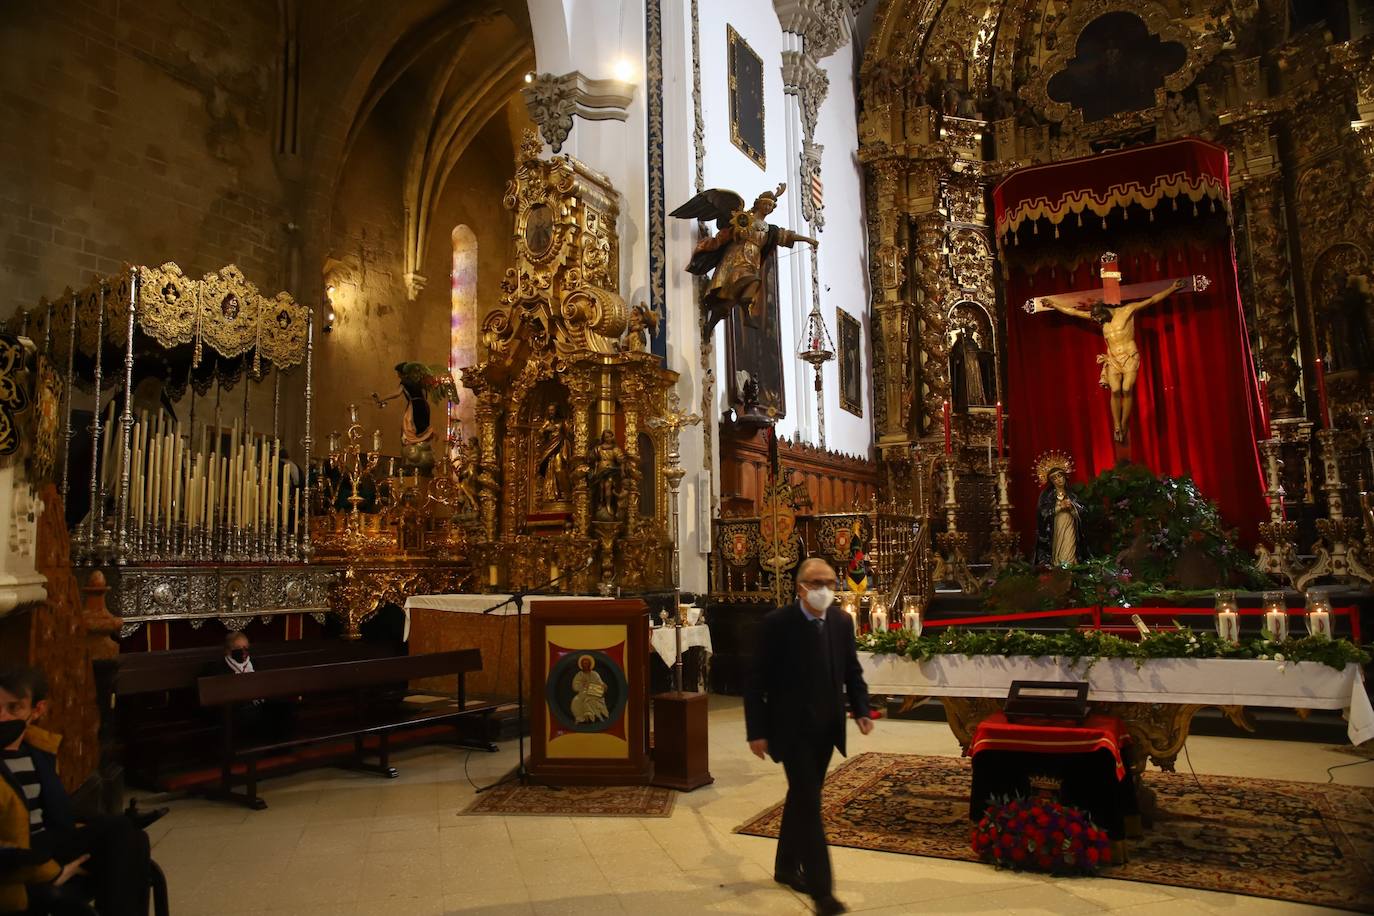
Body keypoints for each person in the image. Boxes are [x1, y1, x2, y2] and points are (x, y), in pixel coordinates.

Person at [744, 557, 874, 916]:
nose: (825, 590)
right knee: (810, 805)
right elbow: (755, 681)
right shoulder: (776, 624)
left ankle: (785, 866)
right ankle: (823, 894)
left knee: (803, 796)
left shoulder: (841, 621)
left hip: (827, 728)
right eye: (817, 583)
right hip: (790, 729)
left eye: (831, 583)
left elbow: (851, 669)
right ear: (800, 587)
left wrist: (861, 709)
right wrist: (756, 731)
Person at [0, 666, 149, 916]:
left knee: (132, 838)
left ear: (37, 710)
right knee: (121, 834)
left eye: (13, 708)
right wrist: (54, 871)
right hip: (17, 854)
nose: (2, 716)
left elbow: (57, 814)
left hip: (46, 840)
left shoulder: (39, 752)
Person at [1042, 278, 1184, 442]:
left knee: (1126, 388)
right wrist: (1054, 305)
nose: (1097, 322)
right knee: (1115, 390)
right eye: (1095, 319)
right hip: (1113, 359)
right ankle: (1117, 425)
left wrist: (1172, 288)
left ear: (1104, 310)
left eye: (1099, 318)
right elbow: (1073, 312)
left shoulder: (1127, 311)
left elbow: (1151, 300)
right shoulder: (1100, 319)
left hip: (1129, 356)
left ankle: (1124, 424)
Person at [201, 632, 294, 743]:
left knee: (285, 707)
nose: (243, 652)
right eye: (238, 648)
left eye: (246, 648)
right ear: (227, 650)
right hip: (234, 708)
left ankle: (282, 746)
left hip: (256, 703)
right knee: (255, 715)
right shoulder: (218, 668)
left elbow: (263, 683)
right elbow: (217, 695)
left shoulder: (253, 663)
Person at [1034, 466, 1084, 567]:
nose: (1058, 480)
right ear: (1051, 481)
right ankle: (1059, 566)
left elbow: (1082, 510)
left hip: (1070, 523)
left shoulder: (1072, 494)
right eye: (1055, 478)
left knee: (1069, 544)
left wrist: (1072, 507)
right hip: (1056, 525)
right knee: (1059, 546)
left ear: (1064, 477)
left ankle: (1070, 565)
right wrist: (1059, 507)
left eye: (1060, 476)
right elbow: (1042, 513)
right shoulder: (1047, 495)